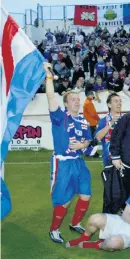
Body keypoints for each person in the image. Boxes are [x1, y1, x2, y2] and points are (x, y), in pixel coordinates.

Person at [44, 63, 92, 243]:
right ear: (66, 103)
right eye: (73, 99)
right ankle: (54, 230)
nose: (77, 101)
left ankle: (75, 222)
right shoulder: (59, 117)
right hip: (63, 163)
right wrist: (48, 76)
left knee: (86, 195)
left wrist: (82, 145)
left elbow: (88, 140)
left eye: (78, 99)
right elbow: (50, 96)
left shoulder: (83, 120)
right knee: (63, 201)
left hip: (79, 161)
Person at [95, 93, 122, 167]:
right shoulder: (103, 121)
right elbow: (98, 137)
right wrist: (110, 124)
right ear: (109, 105)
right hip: (108, 160)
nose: (119, 103)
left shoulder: (126, 119)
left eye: (120, 101)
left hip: (124, 159)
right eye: (116, 101)